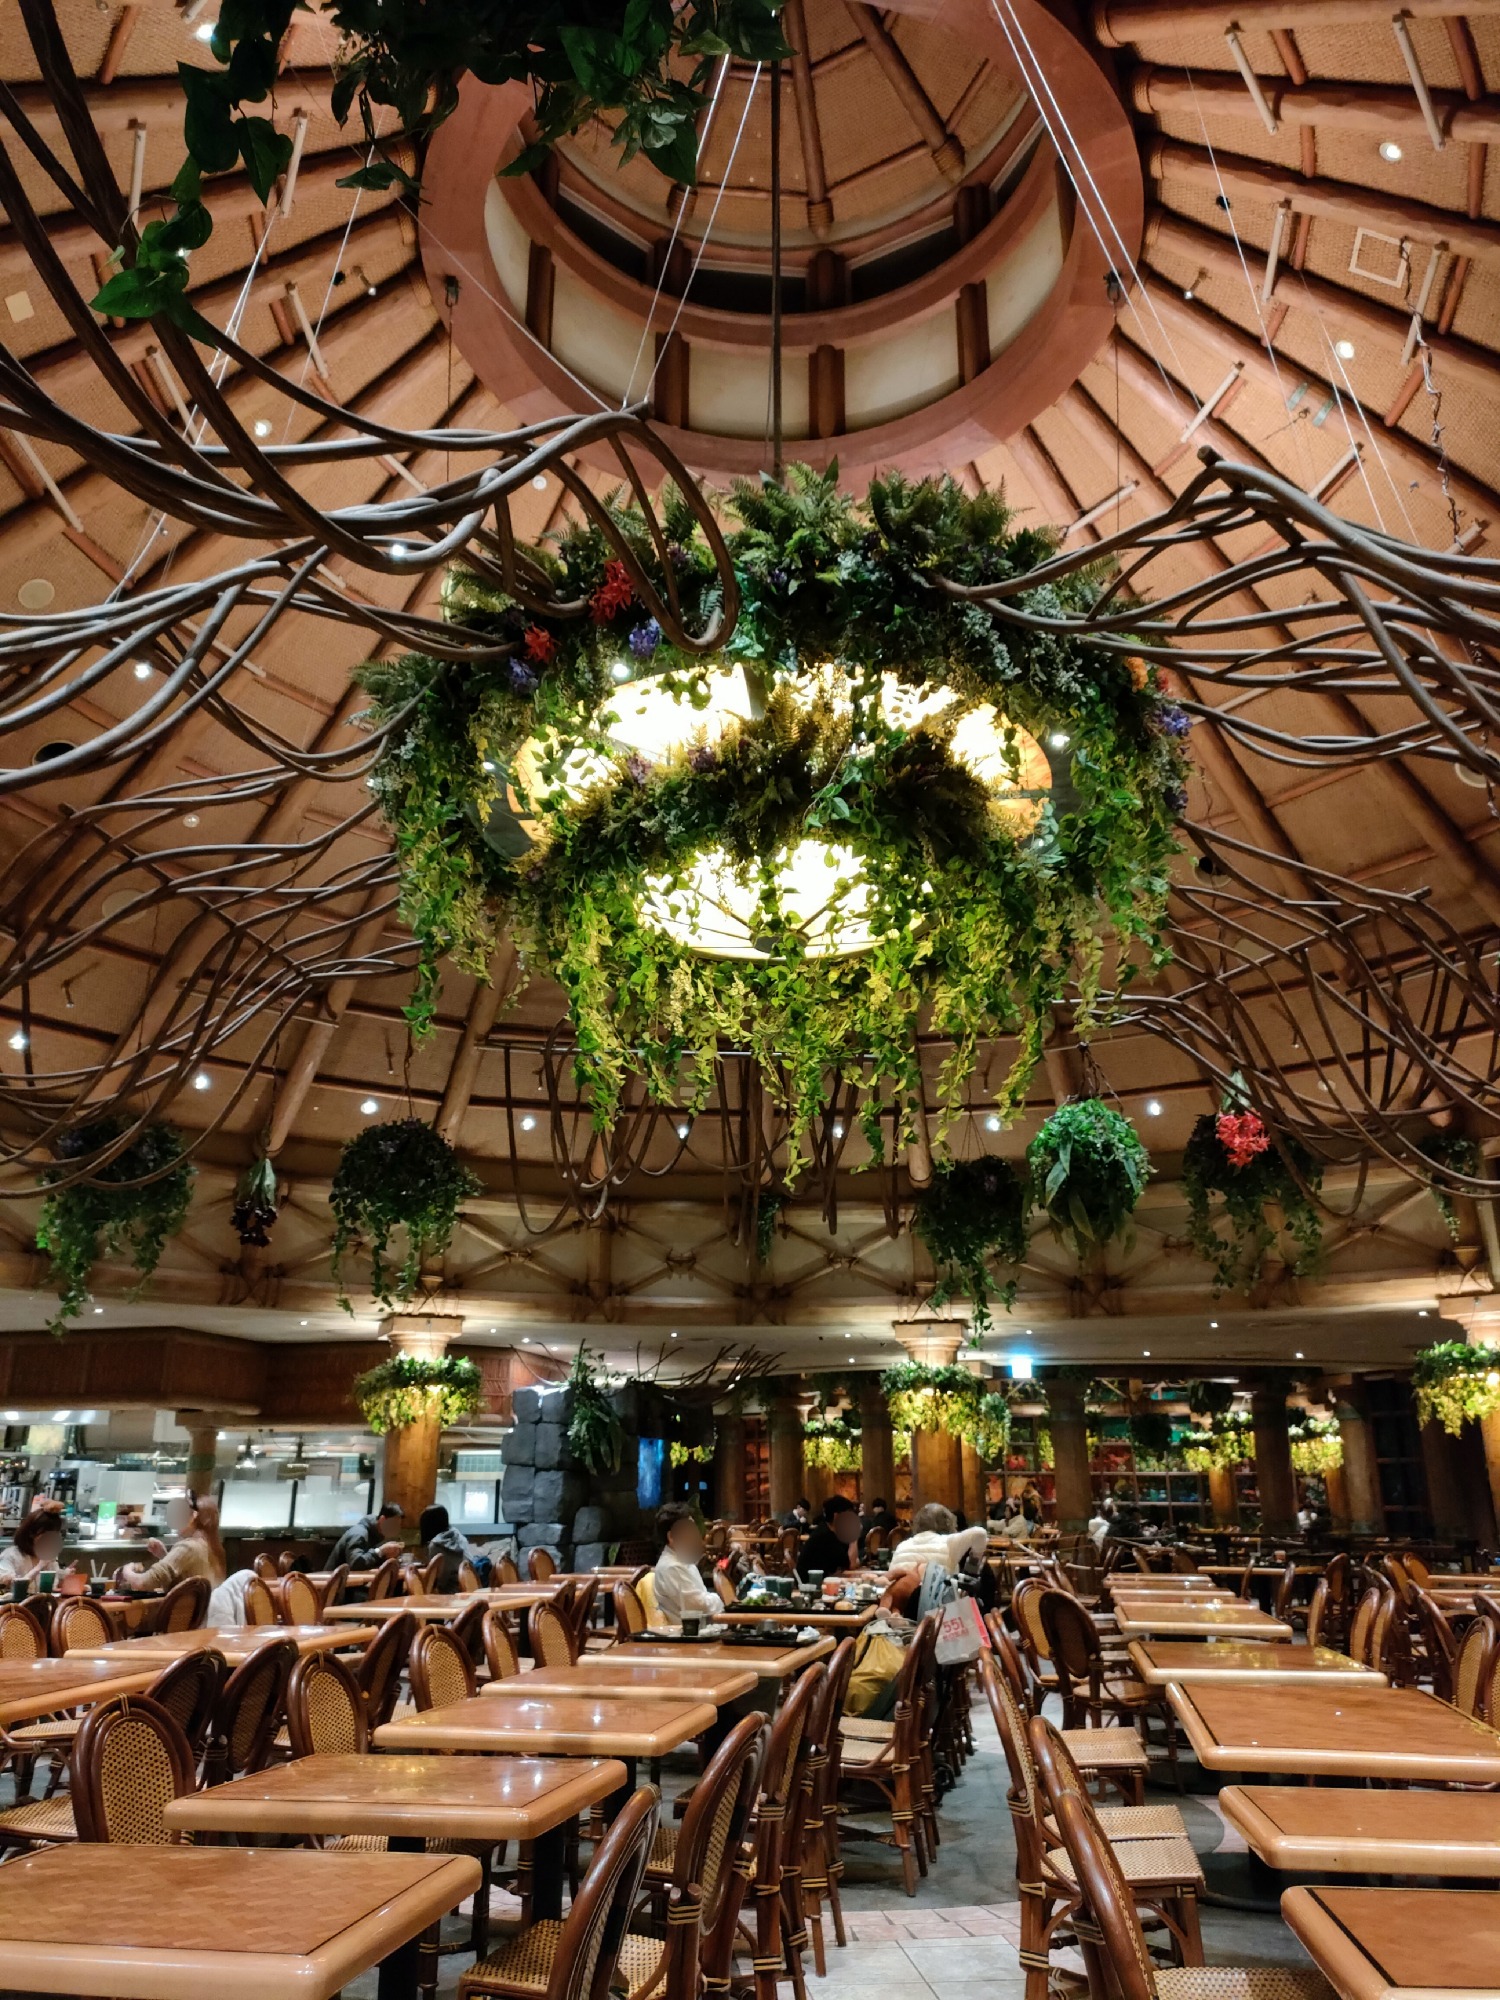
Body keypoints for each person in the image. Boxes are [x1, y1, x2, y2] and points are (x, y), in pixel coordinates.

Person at [117, 1492, 227, 1593]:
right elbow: (184, 1576)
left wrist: (126, 1570)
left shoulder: (188, 1547)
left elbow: (143, 1583)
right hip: (203, 1609)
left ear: (193, 1516)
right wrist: (164, 1555)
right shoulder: (211, 1548)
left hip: (183, 1609)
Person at [652, 1502, 720, 1627]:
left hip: (704, 1628)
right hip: (688, 1635)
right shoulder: (671, 1567)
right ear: (671, 1537)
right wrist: (720, 1598)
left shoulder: (683, 1559)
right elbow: (700, 1606)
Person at [887, 1501, 988, 1574]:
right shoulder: (948, 1542)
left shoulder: (902, 1545)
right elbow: (980, 1533)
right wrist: (972, 1566)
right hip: (938, 1597)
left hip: (901, 1596)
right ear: (948, 1523)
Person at [0, 1499, 76, 1584]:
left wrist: (64, 1576)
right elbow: (10, 1587)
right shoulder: (11, 1556)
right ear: (31, 1533)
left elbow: (52, 1585)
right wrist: (39, 1567)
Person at [325, 1500, 405, 1570]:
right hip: (334, 1581)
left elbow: (369, 1562)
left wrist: (386, 1556)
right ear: (382, 1520)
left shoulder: (377, 1535)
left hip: (353, 1580)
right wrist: (380, 1551)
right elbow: (355, 1563)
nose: (396, 1529)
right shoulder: (359, 1533)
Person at [418, 1503, 479, 1591]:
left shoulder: (435, 1545)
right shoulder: (459, 1536)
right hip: (469, 1587)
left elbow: (437, 1579)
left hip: (450, 1591)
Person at [799, 1495, 861, 1580]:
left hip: (827, 1579)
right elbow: (851, 1564)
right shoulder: (824, 1535)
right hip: (812, 1584)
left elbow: (854, 1560)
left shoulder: (835, 1533)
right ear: (836, 1516)